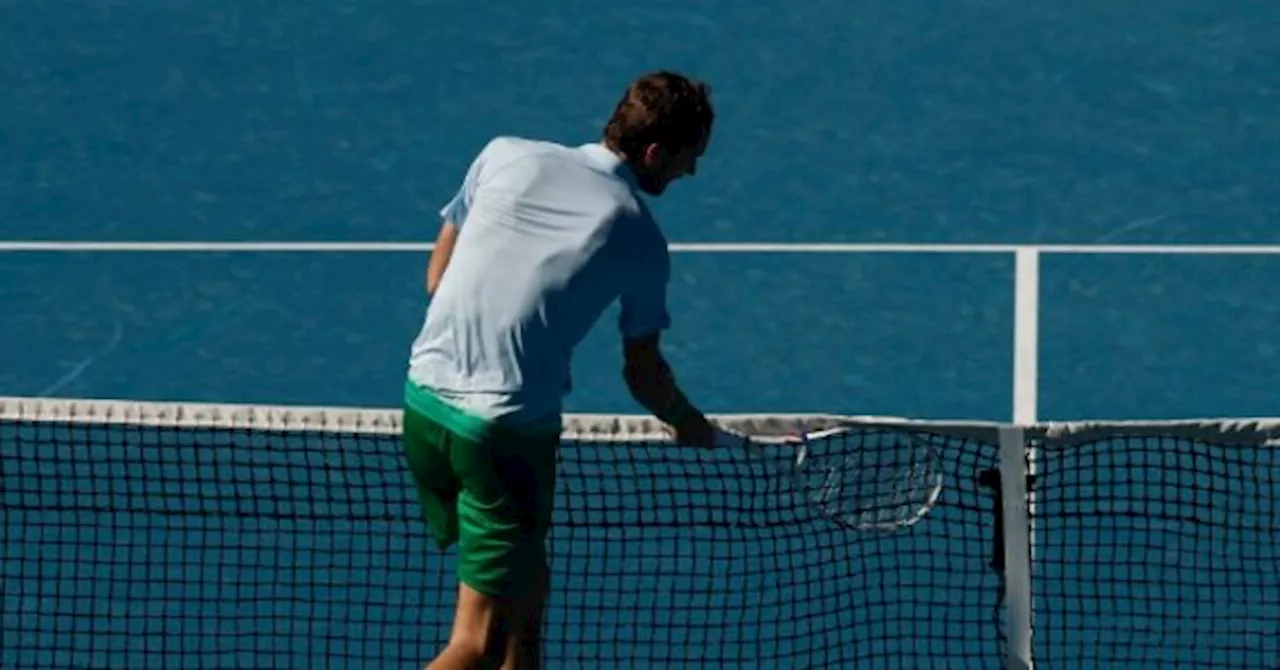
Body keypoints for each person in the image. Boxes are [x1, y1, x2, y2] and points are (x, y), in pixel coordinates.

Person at [400, 70, 719, 670]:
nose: (690, 173)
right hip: (501, 433)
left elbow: (437, 277)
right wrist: (687, 422)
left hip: (422, 405)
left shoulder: (504, 153)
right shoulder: (637, 233)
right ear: (654, 152)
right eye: (686, 158)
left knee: (528, 581)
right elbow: (643, 372)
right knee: (475, 642)